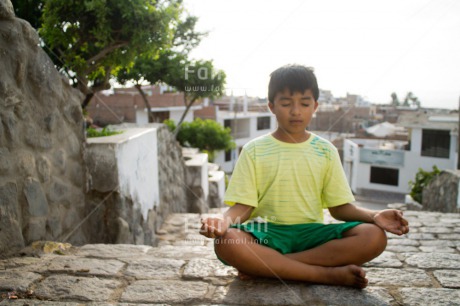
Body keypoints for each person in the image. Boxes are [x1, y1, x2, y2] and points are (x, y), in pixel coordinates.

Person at [199, 64, 409, 289]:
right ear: (272, 106)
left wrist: (375, 215)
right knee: (228, 241)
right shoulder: (254, 150)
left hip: (312, 237)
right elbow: (244, 206)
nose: (296, 111)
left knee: (374, 237)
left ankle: (268, 267)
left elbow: (340, 209)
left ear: (315, 106)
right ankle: (324, 275)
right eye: (287, 103)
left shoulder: (326, 150)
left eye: (305, 103)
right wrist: (223, 221)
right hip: (267, 235)